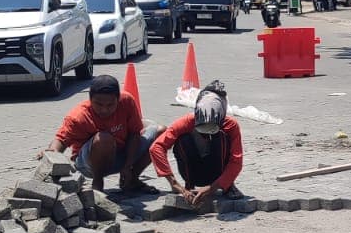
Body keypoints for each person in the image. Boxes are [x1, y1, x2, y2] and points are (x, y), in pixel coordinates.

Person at [47, 75, 161, 192]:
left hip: (121, 154)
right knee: (104, 138)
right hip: (88, 164)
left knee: (161, 133)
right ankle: (97, 182)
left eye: (110, 105)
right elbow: (61, 140)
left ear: (118, 99)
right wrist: (52, 155)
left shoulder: (127, 101)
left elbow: (134, 134)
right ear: (90, 100)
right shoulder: (78, 116)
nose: (104, 110)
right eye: (99, 104)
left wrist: (128, 166)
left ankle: (131, 178)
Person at [149, 80, 244, 210]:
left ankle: (228, 185)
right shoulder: (187, 122)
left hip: (218, 172)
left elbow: (236, 161)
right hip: (193, 172)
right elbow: (157, 147)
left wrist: (212, 188)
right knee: (183, 139)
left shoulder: (230, 125)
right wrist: (175, 184)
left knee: (222, 137)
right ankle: (189, 186)